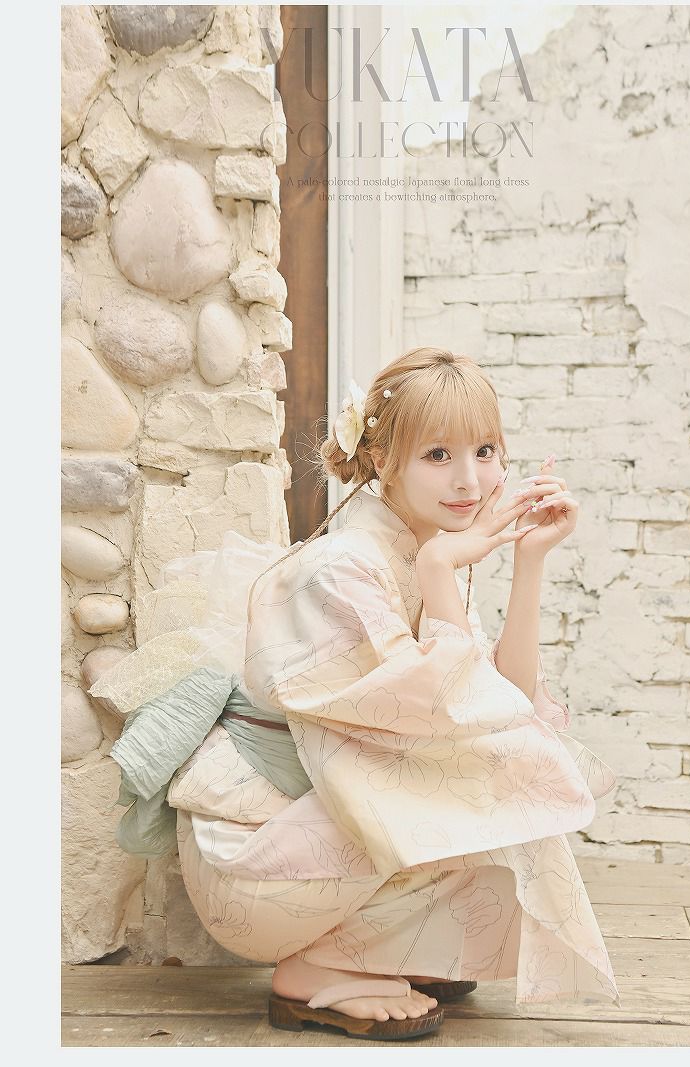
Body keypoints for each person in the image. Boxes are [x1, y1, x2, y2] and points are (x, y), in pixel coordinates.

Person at [91, 346, 620, 1041]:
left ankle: (375, 950)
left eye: (485, 450)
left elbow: (505, 699)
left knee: (507, 806)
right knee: (485, 782)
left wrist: (530, 563)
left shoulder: (429, 550)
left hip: (318, 837)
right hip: (257, 864)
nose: (469, 479)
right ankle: (313, 968)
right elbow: (445, 721)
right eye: (438, 454)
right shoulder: (341, 568)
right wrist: (440, 567)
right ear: (382, 459)